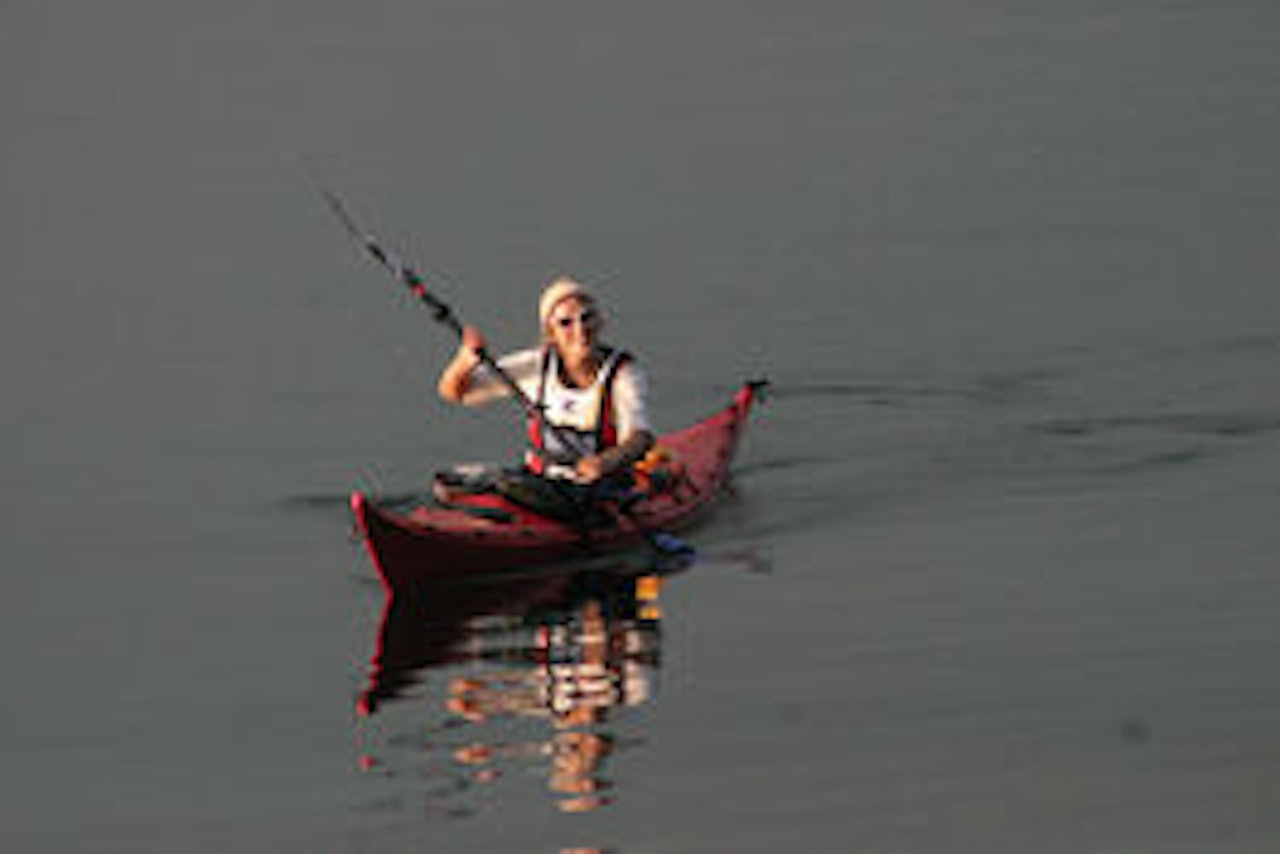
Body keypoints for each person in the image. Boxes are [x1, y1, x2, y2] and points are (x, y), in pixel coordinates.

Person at [437, 276, 655, 485]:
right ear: (551, 333)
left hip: (600, 490)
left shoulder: (623, 374)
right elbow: (453, 392)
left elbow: (640, 438)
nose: (580, 330)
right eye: (566, 323)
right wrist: (464, 362)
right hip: (540, 483)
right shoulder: (534, 366)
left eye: (587, 317)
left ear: (600, 322)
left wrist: (605, 462)